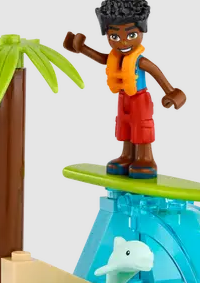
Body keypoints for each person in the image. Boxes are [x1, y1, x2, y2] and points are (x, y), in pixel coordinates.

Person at [64, 0, 186, 179]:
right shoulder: (116, 57)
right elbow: (102, 58)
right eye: (114, 36)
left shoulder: (140, 61)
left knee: (141, 127)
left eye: (131, 35)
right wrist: (81, 48)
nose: (122, 42)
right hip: (123, 98)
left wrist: (171, 92)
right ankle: (127, 156)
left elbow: (156, 72)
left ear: (142, 31)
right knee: (125, 126)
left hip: (139, 99)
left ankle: (146, 158)